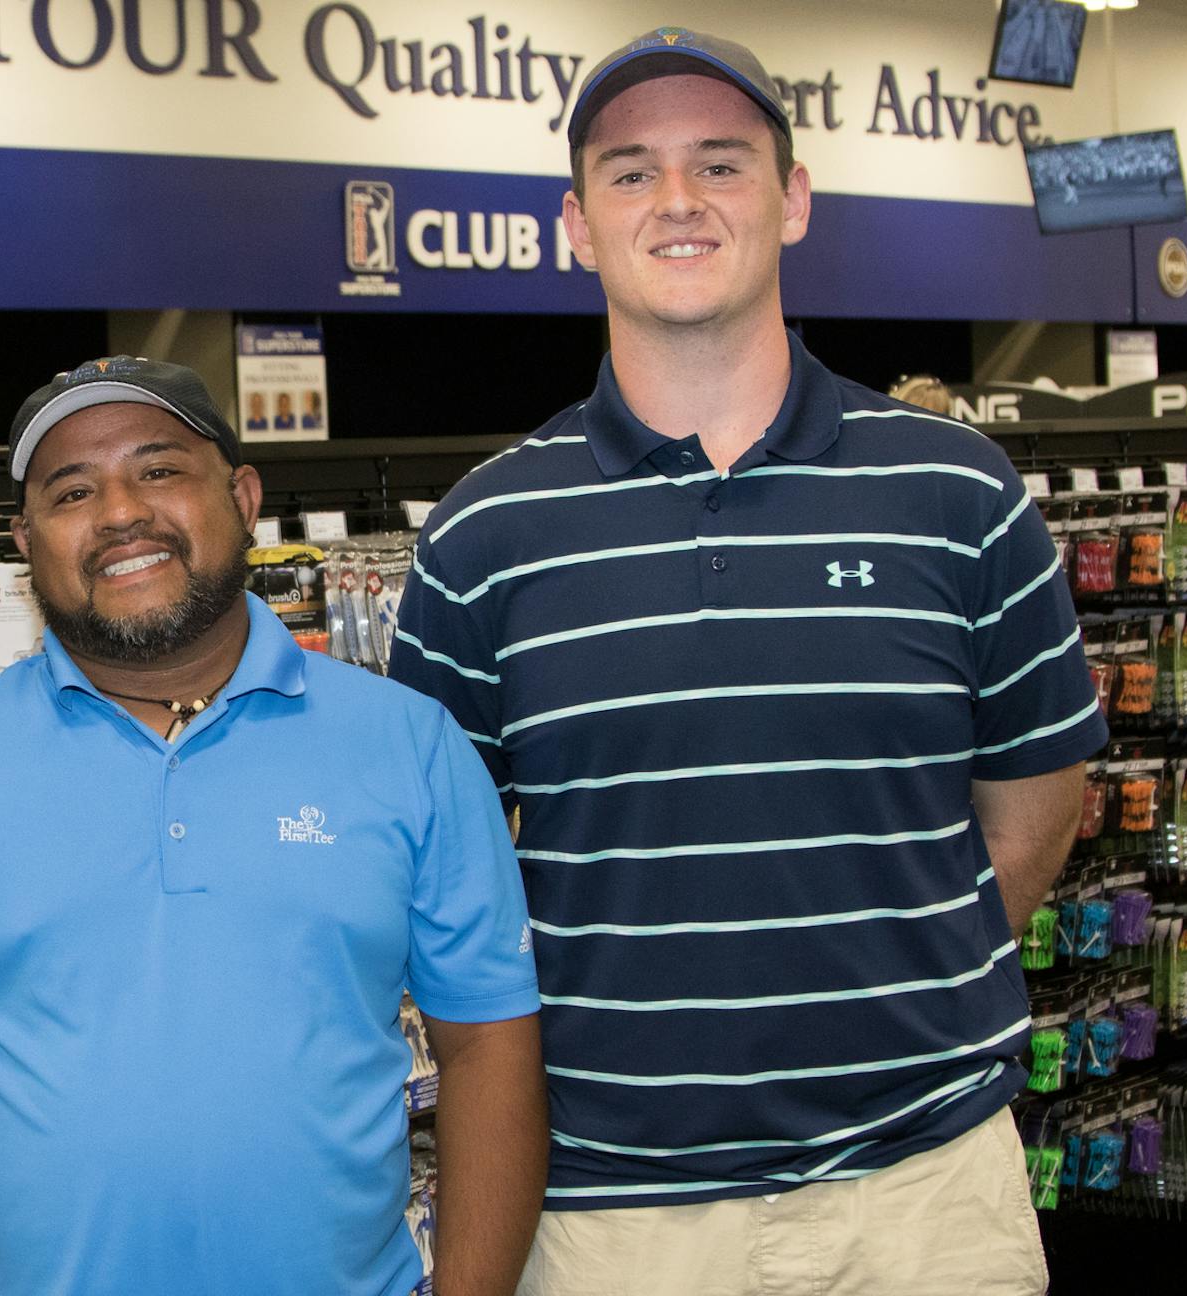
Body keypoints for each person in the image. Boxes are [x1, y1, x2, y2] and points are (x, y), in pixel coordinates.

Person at [389, 28, 1102, 1296]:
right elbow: (437, 867)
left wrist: (906, 977)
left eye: (721, 163)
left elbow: (1038, 802)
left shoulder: (958, 492)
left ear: (795, 197)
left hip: (926, 1198)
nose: (677, 202)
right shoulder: (483, 537)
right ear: (575, 222)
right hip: (610, 1218)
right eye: (630, 171)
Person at [0, 356, 546, 1295]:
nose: (120, 511)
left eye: (158, 469)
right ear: (23, 541)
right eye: (71, 490)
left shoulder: (410, 749)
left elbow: (488, 1046)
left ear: (242, 496)